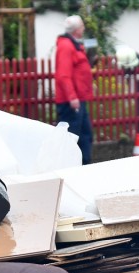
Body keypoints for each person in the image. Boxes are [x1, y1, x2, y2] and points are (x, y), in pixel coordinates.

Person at [54, 14, 94, 164]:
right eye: (82, 26)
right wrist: (72, 97)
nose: (84, 28)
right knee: (72, 138)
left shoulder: (73, 44)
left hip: (78, 99)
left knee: (84, 135)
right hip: (71, 102)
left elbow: (78, 72)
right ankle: (71, 167)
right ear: (77, 29)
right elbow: (63, 75)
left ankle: (85, 165)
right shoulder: (66, 46)